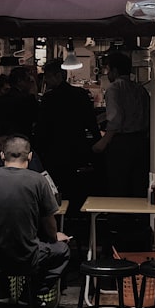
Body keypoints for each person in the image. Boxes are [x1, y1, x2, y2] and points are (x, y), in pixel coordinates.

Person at [0, 135, 71, 298]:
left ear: (2, 155)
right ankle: (32, 293)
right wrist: (55, 236)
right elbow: (49, 221)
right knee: (62, 251)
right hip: (26, 256)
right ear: (30, 156)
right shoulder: (38, 181)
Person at [35, 58, 101, 209]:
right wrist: (96, 140)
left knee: (57, 186)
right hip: (77, 148)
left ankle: (59, 217)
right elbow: (91, 122)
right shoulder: (81, 94)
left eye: (48, 76)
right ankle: (76, 216)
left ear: (58, 76)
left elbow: (42, 128)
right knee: (76, 186)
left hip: (54, 150)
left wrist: (39, 149)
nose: (45, 80)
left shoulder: (49, 98)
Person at [92, 52, 150, 198]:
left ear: (115, 71)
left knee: (118, 185)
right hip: (142, 141)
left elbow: (116, 119)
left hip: (121, 144)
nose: (107, 73)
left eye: (108, 69)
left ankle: (117, 218)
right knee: (138, 184)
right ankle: (139, 218)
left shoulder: (114, 89)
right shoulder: (140, 89)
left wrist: (102, 143)